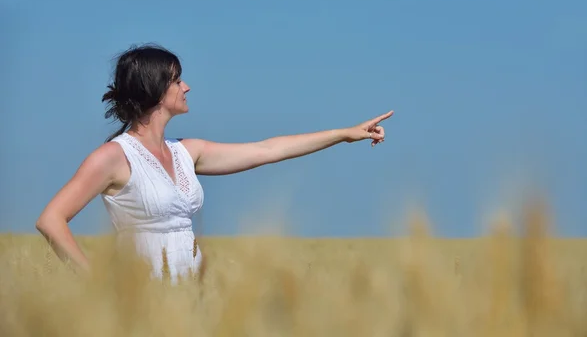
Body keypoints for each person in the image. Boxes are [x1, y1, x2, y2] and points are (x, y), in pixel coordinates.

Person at [35, 44, 393, 283]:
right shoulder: (114, 156)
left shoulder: (187, 152)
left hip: (191, 292)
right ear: (156, 88)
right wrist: (98, 283)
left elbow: (268, 149)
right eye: (177, 80)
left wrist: (344, 133)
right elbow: (51, 220)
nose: (187, 87)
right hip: (140, 300)